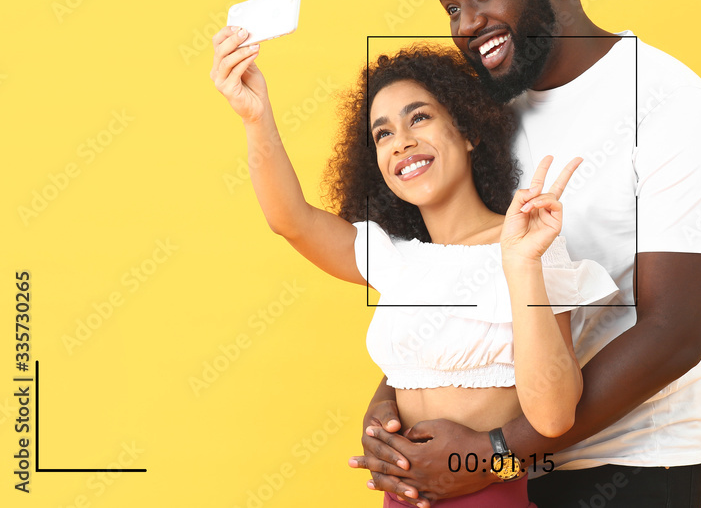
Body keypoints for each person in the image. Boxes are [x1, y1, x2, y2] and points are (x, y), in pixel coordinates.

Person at [352, 0, 701, 508]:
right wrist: (393, 404)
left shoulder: (670, 103)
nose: (468, 22)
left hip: (631, 463)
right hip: (506, 473)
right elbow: (468, 287)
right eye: (452, 7)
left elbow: (675, 332)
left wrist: (499, 451)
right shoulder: (488, 115)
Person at [209, 33, 618, 507]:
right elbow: (291, 220)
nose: (401, 142)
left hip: (489, 497)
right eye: (383, 134)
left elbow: (553, 419)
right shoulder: (395, 257)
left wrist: (522, 265)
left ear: (468, 132)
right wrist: (255, 116)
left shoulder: (527, 246)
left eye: (418, 118)